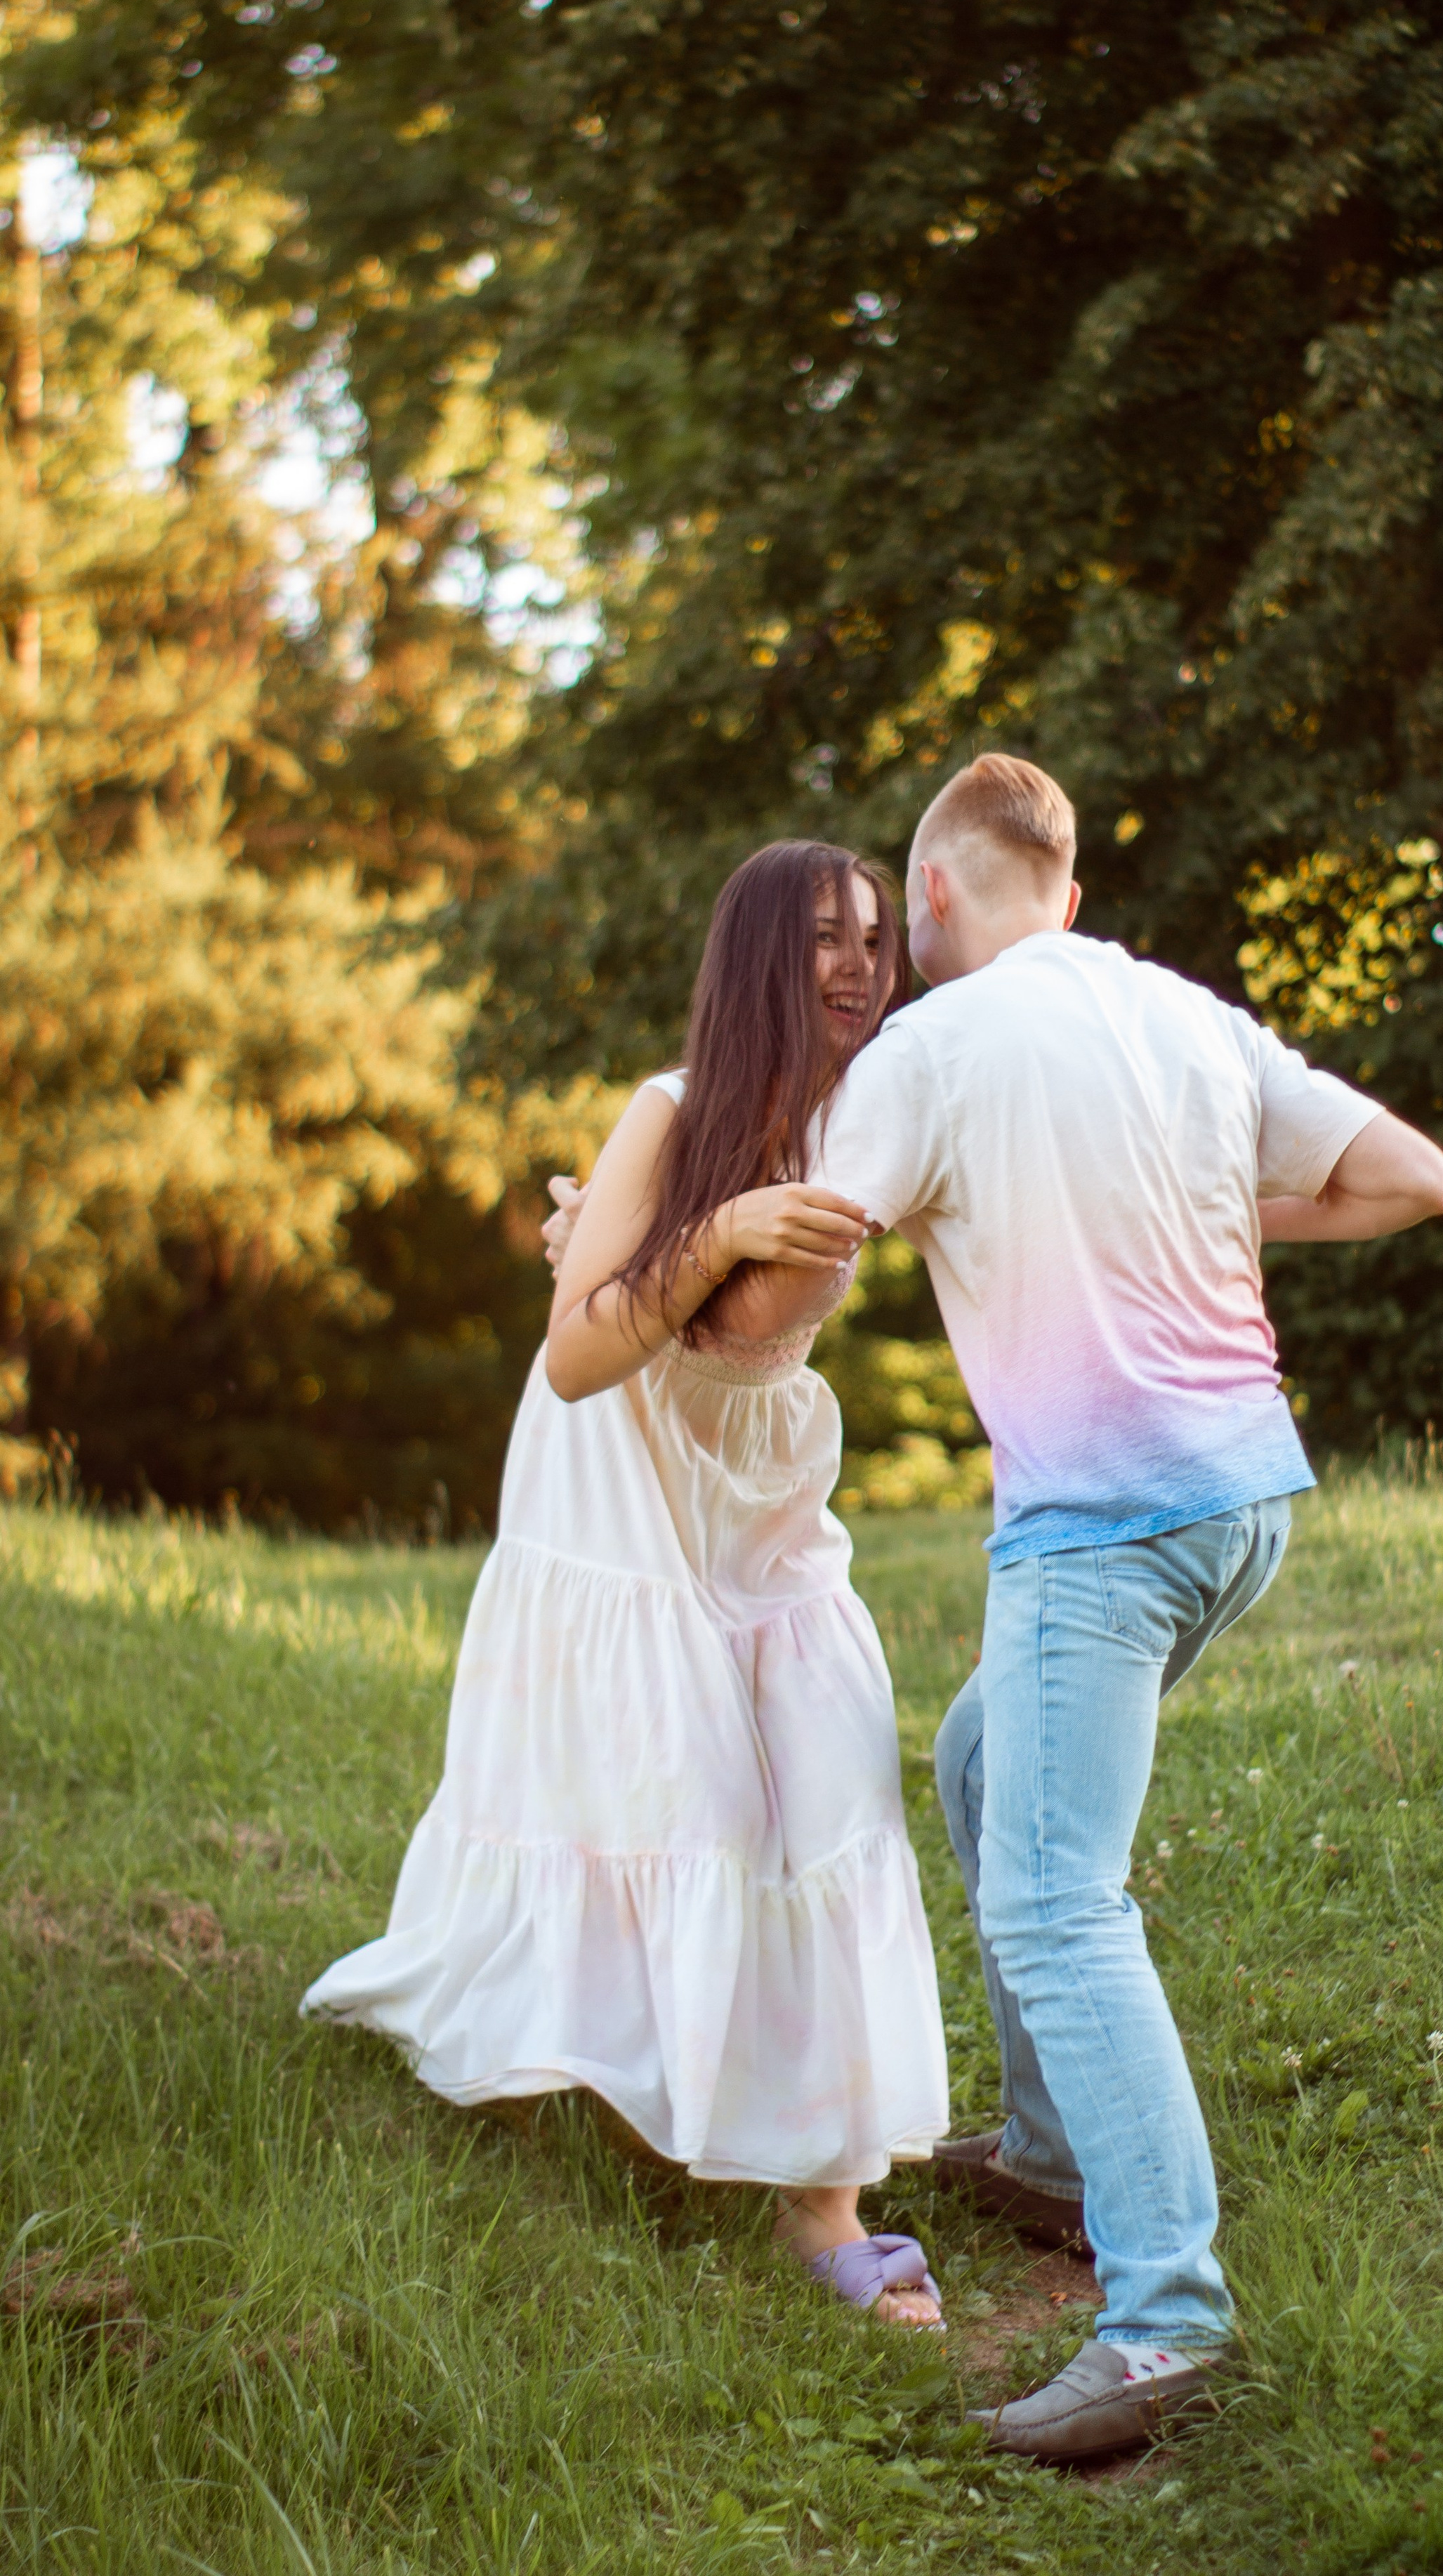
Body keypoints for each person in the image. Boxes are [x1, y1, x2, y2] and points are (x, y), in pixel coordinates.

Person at [810, 754, 1443, 2453]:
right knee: (972, 1761)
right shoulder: (1180, 1016)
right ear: (1067, 893)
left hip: (1101, 1531)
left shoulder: (931, 1048)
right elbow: (1410, 1178)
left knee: (1050, 1896)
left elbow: (814, 1252)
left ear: (933, 893)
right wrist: (1191, 1214)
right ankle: (1045, 2157)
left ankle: (1164, 2316)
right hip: (1244, 1504)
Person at [302, 842, 951, 2329]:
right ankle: (581, 2076)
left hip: (761, 1487)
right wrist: (703, 1231)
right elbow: (580, 1353)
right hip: (624, 1486)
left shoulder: (875, 1111)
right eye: (821, 940)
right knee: (674, 1792)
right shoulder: (669, 1110)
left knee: (833, 1781)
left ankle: (822, 2200)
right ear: (755, 962)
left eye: (872, 938)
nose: (857, 965)